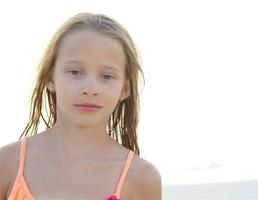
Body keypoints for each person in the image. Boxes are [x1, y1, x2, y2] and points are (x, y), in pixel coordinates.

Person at [0, 13, 161, 200]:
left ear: (125, 89)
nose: (90, 89)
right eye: (75, 72)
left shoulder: (142, 178)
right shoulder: (8, 164)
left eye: (107, 76)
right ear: (50, 78)